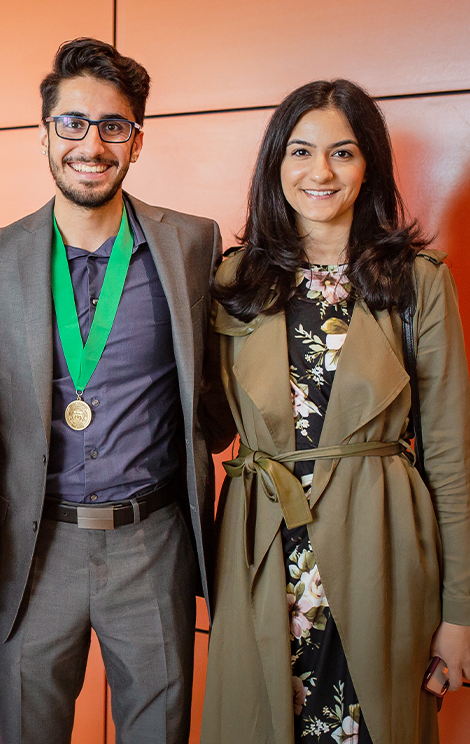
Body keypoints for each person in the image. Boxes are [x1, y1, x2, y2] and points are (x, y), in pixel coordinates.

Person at [0, 37, 233, 743]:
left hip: (154, 541)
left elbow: (219, 392)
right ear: (45, 134)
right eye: (72, 123)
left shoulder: (193, 245)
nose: (91, 143)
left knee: (160, 732)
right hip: (34, 545)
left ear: (136, 141)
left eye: (113, 126)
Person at [203, 79, 470, 743]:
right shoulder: (234, 281)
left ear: (369, 165)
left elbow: (451, 456)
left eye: (343, 153)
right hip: (263, 542)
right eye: (300, 151)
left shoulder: (417, 282)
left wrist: (461, 612)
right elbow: (195, 419)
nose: (319, 171)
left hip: (380, 539)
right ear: (276, 164)